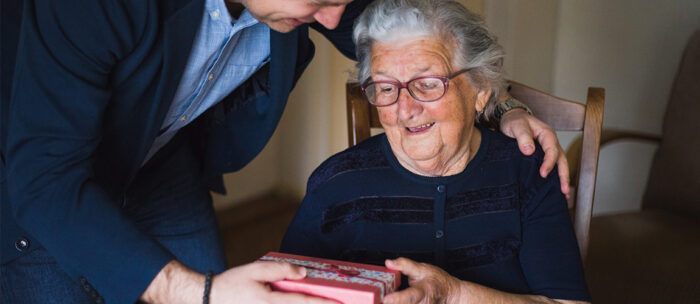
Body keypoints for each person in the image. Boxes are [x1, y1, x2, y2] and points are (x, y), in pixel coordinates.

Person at [1, 0, 569, 303]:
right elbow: (44, 179)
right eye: (320, 0)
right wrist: (197, 293)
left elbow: (429, 51)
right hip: (37, 173)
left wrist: (503, 106)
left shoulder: (523, 176)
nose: (331, 20)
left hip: (158, 160)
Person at [281, 0, 590, 303]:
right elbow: (281, 295)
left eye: (428, 84)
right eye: (386, 88)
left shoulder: (525, 175)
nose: (405, 109)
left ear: (481, 92)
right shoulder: (334, 185)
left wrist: (455, 294)